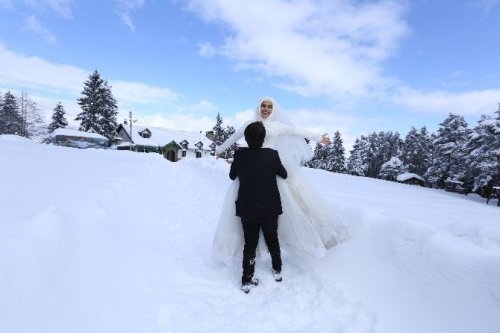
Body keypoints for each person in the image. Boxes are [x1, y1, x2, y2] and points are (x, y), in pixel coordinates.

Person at [212, 97, 347, 265]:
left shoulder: (278, 126)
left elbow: (298, 132)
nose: (266, 109)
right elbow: (234, 137)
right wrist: (219, 149)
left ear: (274, 109)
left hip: (271, 167)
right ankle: (255, 247)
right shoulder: (249, 124)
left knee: (292, 203)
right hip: (252, 170)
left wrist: (319, 138)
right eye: (263, 105)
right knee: (250, 208)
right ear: (258, 107)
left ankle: (299, 239)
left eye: (269, 106)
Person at [229, 121, 287, 293]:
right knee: (272, 239)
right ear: (264, 138)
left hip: (247, 207)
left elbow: (232, 176)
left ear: (246, 138)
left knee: (250, 244)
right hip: (270, 207)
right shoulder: (272, 154)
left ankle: (246, 279)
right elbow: (284, 174)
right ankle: (277, 269)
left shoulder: (239, 155)